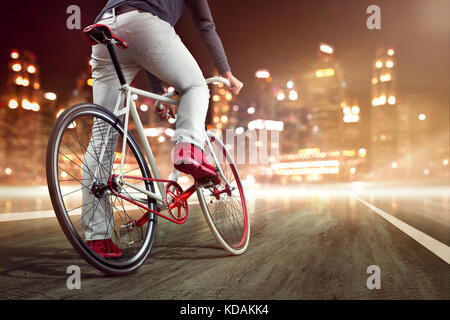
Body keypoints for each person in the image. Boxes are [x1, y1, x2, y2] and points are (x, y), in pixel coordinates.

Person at [83, 0, 243, 258]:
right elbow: (205, 24)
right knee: (197, 87)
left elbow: (143, 52)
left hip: (104, 29)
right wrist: (227, 72)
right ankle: (188, 148)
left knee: (102, 133)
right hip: (145, 25)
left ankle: (97, 237)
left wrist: (158, 93)